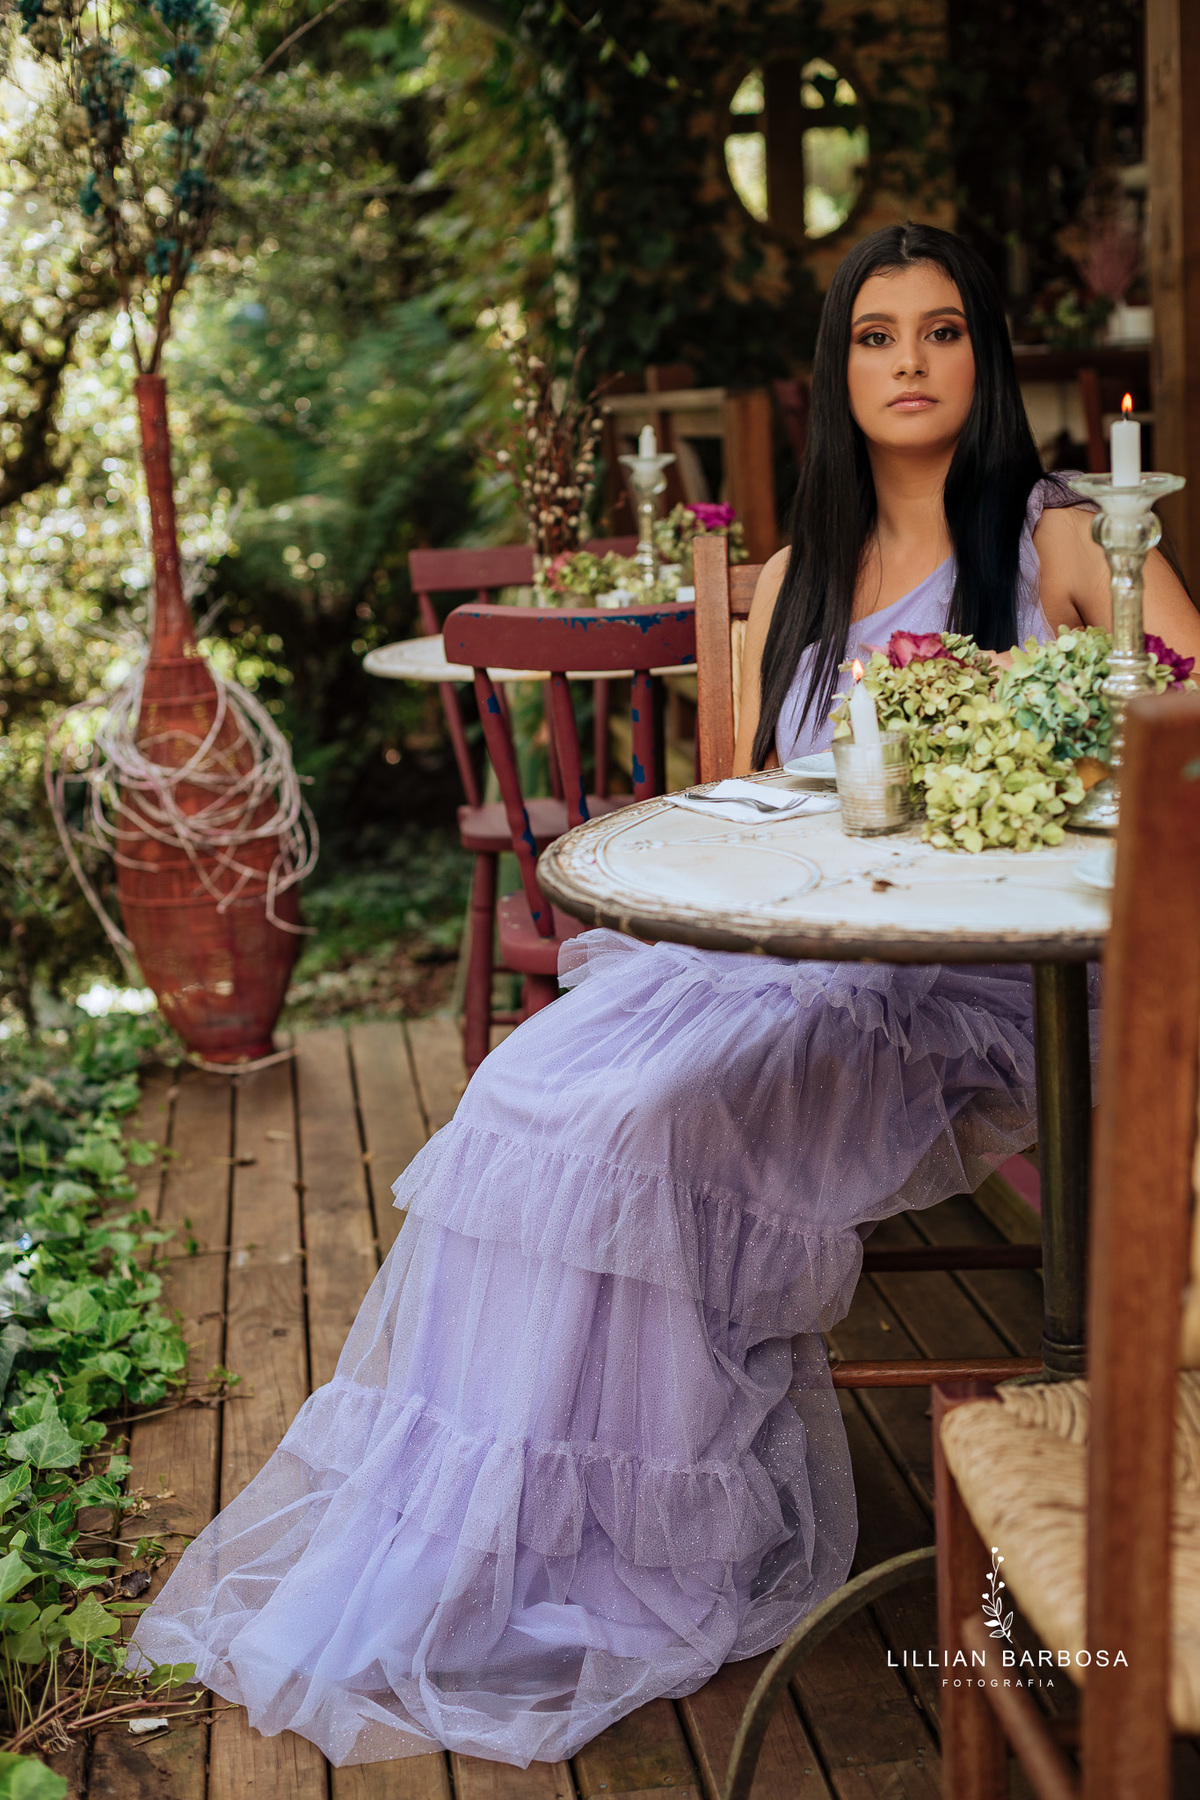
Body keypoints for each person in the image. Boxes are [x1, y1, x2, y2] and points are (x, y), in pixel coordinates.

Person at [130, 224, 1200, 1769]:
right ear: (839, 370)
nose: (913, 364)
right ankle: (524, 1534)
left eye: (946, 332)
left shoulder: (1064, 537)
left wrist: (1105, 715)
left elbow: (1181, 727)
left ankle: (640, 1542)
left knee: (632, 1124)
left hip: (979, 986)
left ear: (987, 359)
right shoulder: (796, 577)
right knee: (531, 1093)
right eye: (879, 336)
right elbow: (751, 805)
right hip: (797, 959)